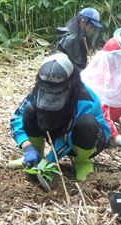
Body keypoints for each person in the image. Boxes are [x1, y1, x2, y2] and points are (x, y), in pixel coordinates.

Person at [8, 52, 111, 181]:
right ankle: (36, 156)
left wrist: (49, 162)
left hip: (87, 138)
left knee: (86, 123)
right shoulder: (37, 91)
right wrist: (27, 147)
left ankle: (82, 162)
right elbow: (16, 118)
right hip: (58, 129)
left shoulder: (85, 101)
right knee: (30, 110)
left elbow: (67, 138)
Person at [81, 36, 121, 148]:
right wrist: (115, 136)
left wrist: (119, 120)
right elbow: (100, 108)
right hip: (88, 128)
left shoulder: (113, 71)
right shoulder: (101, 76)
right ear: (114, 58)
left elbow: (112, 99)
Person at [54, 7, 104, 72]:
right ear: (82, 22)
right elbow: (77, 69)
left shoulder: (76, 33)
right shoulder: (72, 39)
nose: (92, 31)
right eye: (91, 27)